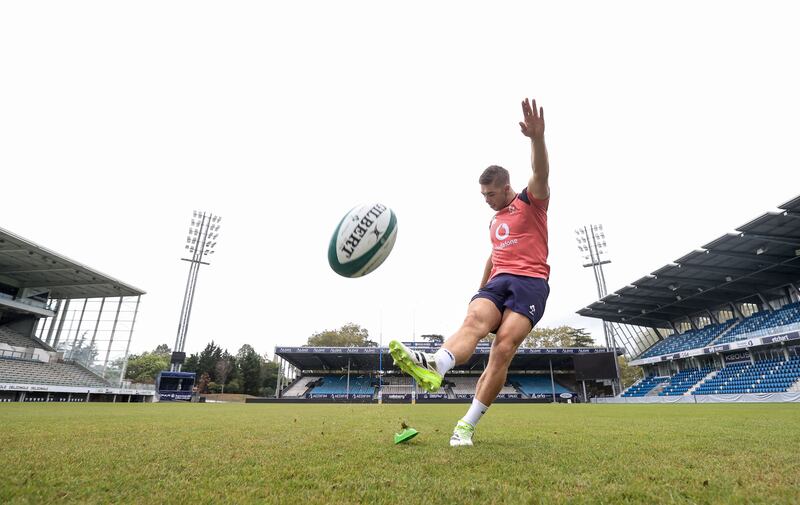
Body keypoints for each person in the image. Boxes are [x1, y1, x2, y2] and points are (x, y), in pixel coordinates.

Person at [389, 97, 550, 447]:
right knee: (473, 320)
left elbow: (541, 173)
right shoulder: (494, 221)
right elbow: (493, 257)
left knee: (503, 347)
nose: (486, 199)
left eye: (490, 194)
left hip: (531, 284)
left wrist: (537, 139)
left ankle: (466, 425)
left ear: (507, 187)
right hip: (499, 281)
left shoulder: (531, 202)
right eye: (483, 194)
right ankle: (436, 365)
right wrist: (479, 293)